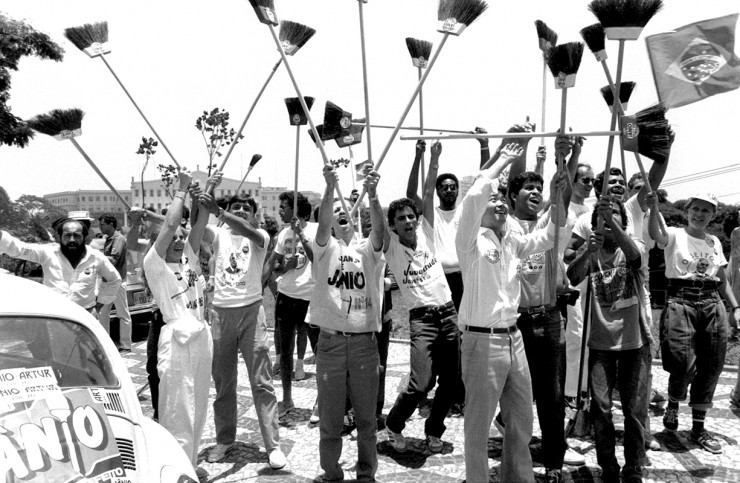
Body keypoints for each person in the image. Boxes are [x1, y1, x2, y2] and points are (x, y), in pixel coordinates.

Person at [456, 143, 568, 483]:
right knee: (478, 425)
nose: (501, 203)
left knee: (521, 419)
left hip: (513, 337)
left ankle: (518, 478)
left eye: (503, 199)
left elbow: (551, 236)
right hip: (481, 341)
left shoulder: (514, 240)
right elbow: (476, 194)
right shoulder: (471, 240)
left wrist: (556, 194)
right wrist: (504, 157)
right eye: (496, 199)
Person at [497, 135, 584, 479]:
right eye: (527, 189)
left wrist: (566, 158)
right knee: (516, 397)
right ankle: (516, 462)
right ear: (512, 196)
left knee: (551, 398)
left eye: (538, 188)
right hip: (514, 322)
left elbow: (560, 192)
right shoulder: (504, 227)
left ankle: (554, 463)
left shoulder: (552, 225)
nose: (535, 192)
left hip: (549, 319)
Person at [568, 196, 654, 483]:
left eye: (616, 216)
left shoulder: (634, 245)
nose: (609, 222)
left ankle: (634, 468)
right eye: (603, 218)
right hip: (600, 345)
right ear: (595, 224)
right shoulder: (591, 250)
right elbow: (572, 274)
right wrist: (585, 251)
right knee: (601, 409)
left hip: (635, 342)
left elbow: (636, 258)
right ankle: (609, 467)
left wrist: (613, 221)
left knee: (634, 410)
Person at [197, 192, 286, 468]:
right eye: (236, 206)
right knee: (224, 382)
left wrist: (221, 212)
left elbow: (244, 228)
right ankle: (225, 439)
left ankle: (272, 445)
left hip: (251, 312)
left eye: (247, 208)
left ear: (254, 214)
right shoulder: (218, 234)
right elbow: (195, 225)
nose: (241, 211)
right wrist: (195, 200)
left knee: (262, 382)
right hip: (220, 314)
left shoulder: (259, 235)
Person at [648, 192, 740, 454]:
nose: (700, 214)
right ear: (687, 211)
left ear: (713, 215)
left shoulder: (713, 242)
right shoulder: (675, 234)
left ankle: (699, 428)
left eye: (706, 211)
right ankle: (674, 402)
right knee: (682, 362)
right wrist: (655, 209)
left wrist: (735, 307)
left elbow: (721, 277)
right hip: (681, 301)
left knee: (713, 364)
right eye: (696, 209)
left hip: (712, 302)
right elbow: (656, 233)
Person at [383, 141, 459, 454]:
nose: (409, 221)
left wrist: (435, 159)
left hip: (449, 312)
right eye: (402, 218)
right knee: (420, 382)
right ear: (393, 225)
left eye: (411, 216)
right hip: (423, 319)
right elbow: (381, 215)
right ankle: (394, 424)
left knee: (452, 381)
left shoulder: (426, 231)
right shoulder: (391, 247)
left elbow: (427, 193)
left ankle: (433, 431)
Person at [310, 164, 384, 482]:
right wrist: (329, 188)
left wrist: (374, 194)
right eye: (337, 211)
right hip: (330, 343)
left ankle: (366, 473)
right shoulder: (324, 250)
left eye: (348, 211)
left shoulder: (368, 249)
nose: (343, 215)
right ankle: (331, 472)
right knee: (330, 418)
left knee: (367, 418)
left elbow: (380, 232)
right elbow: (324, 226)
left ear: (358, 219)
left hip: (365, 344)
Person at [142, 169, 211, 479]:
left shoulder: (189, 260)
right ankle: (173, 472)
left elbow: (199, 223)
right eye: (175, 238)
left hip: (201, 338)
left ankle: (190, 466)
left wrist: (207, 189)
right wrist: (182, 190)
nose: (181, 240)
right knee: (177, 410)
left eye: (183, 237)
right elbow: (171, 223)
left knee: (198, 410)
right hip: (177, 339)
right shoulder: (155, 266)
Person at [263, 191, 318, 415]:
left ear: (296, 209)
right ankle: (287, 399)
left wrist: (301, 236)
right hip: (286, 297)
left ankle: (321, 401)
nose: (279, 211)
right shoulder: (283, 235)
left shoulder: (316, 231)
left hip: (312, 298)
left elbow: (320, 260)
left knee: (320, 351)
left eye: (284, 206)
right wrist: (285, 266)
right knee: (284, 351)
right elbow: (275, 267)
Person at [0, 218, 121, 312]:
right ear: (60, 237)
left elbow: (114, 279)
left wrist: (99, 304)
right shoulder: (48, 253)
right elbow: (20, 249)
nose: (72, 240)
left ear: (84, 237)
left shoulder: (95, 257)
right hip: (56, 315)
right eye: (67, 235)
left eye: (77, 236)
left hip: (86, 316)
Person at [564, 162, 595, 404]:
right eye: (585, 180)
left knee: (586, 334)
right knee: (574, 334)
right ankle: (571, 392)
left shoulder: (591, 209)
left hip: (589, 275)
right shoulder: (563, 205)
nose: (590, 185)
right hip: (565, 273)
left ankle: (583, 388)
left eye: (593, 181)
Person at [97, 213, 132, 352]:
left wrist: (97, 256)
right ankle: (106, 344)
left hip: (117, 282)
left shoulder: (118, 239)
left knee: (122, 314)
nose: (100, 227)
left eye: (102, 224)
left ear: (110, 224)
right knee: (102, 313)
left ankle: (125, 345)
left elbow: (113, 259)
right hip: (107, 282)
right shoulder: (109, 239)